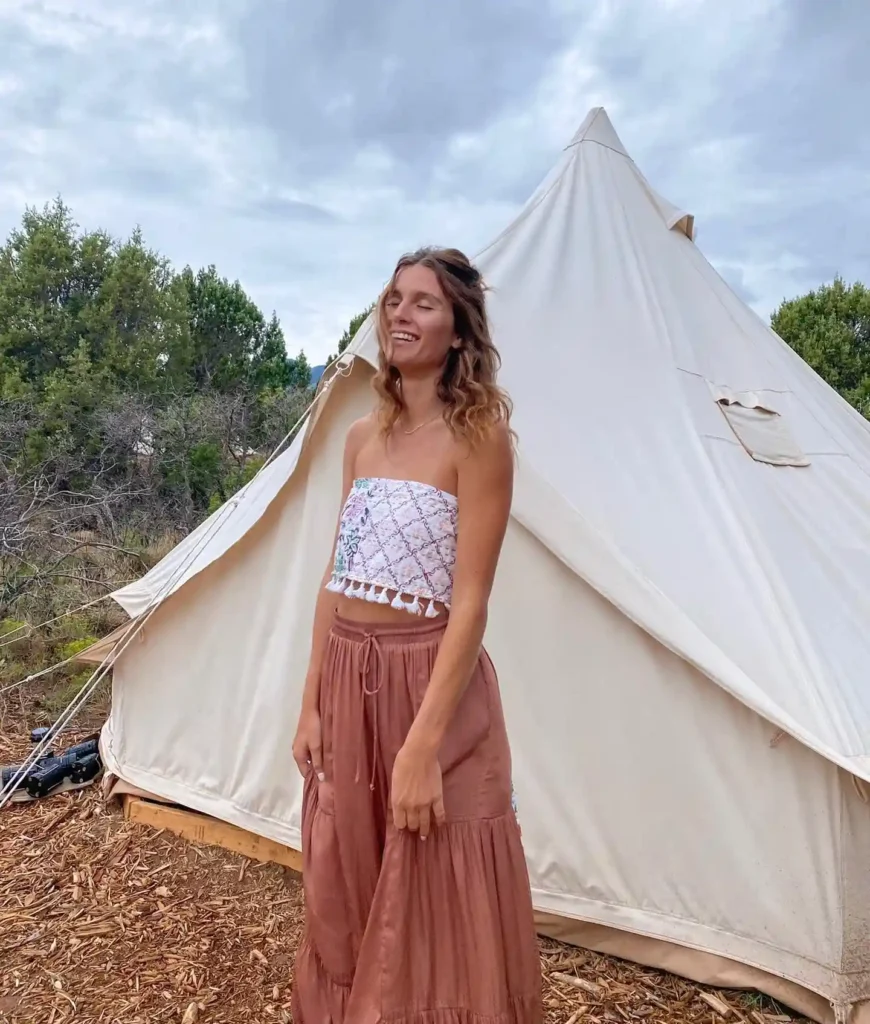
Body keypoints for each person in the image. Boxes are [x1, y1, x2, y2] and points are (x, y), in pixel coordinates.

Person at [291, 246, 542, 1023]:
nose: (401, 314)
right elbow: (337, 574)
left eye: (424, 303)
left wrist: (423, 747)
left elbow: (471, 603)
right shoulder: (360, 437)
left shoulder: (480, 438)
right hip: (348, 678)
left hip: (429, 684)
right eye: (395, 299)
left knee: (436, 877)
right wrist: (310, 703)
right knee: (349, 869)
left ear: (460, 330)